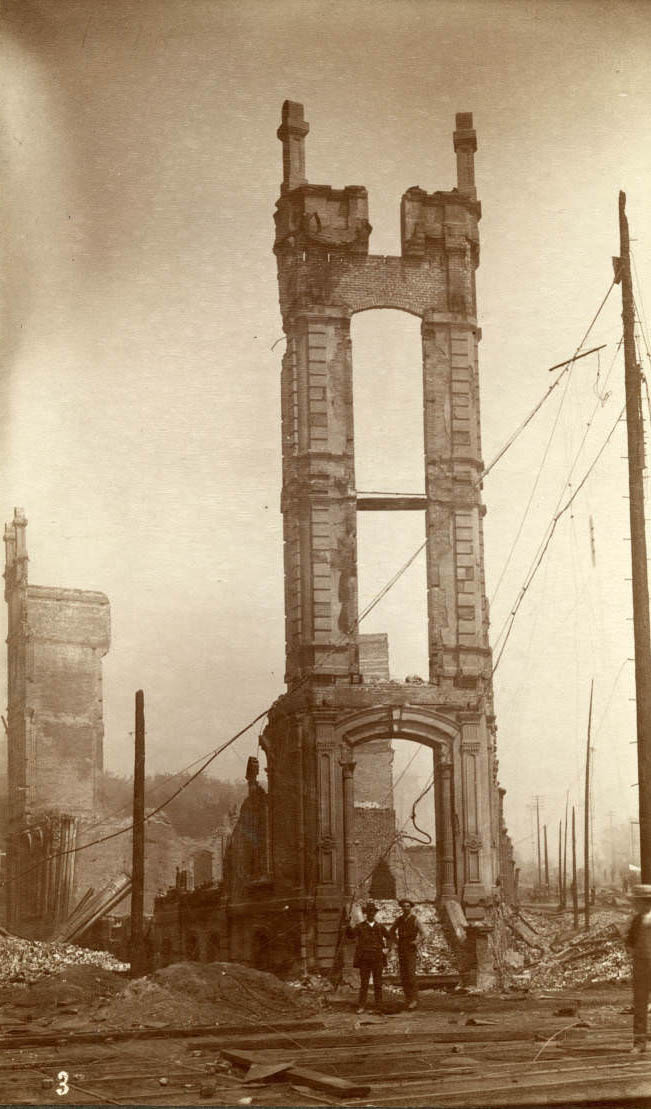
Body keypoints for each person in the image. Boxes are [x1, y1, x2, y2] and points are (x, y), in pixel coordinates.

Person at [347, 901, 388, 1013]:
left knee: (378, 983)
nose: (371, 914)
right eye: (369, 912)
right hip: (364, 958)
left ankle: (379, 1005)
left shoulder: (380, 927)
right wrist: (348, 925)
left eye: (373, 912)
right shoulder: (360, 927)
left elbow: (390, 937)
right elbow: (350, 936)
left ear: (374, 914)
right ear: (366, 914)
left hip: (377, 957)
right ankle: (361, 1006)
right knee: (364, 983)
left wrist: (387, 948)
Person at [626, 884, 651, 1053]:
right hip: (641, 965)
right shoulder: (636, 920)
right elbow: (629, 942)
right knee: (640, 1003)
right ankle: (639, 1042)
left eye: (638, 901)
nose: (635, 905)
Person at [389, 899, 425, 1010]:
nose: (405, 908)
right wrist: (396, 942)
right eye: (403, 906)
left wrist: (416, 942)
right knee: (403, 974)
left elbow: (424, 933)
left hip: (410, 948)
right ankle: (408, 998)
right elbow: (391, 932)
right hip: (402, 948)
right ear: (401, 908)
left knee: (410, 974)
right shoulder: (399, 920)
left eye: (408, 906)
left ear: (411, 907)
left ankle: (414, 999)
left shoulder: (415, 919)